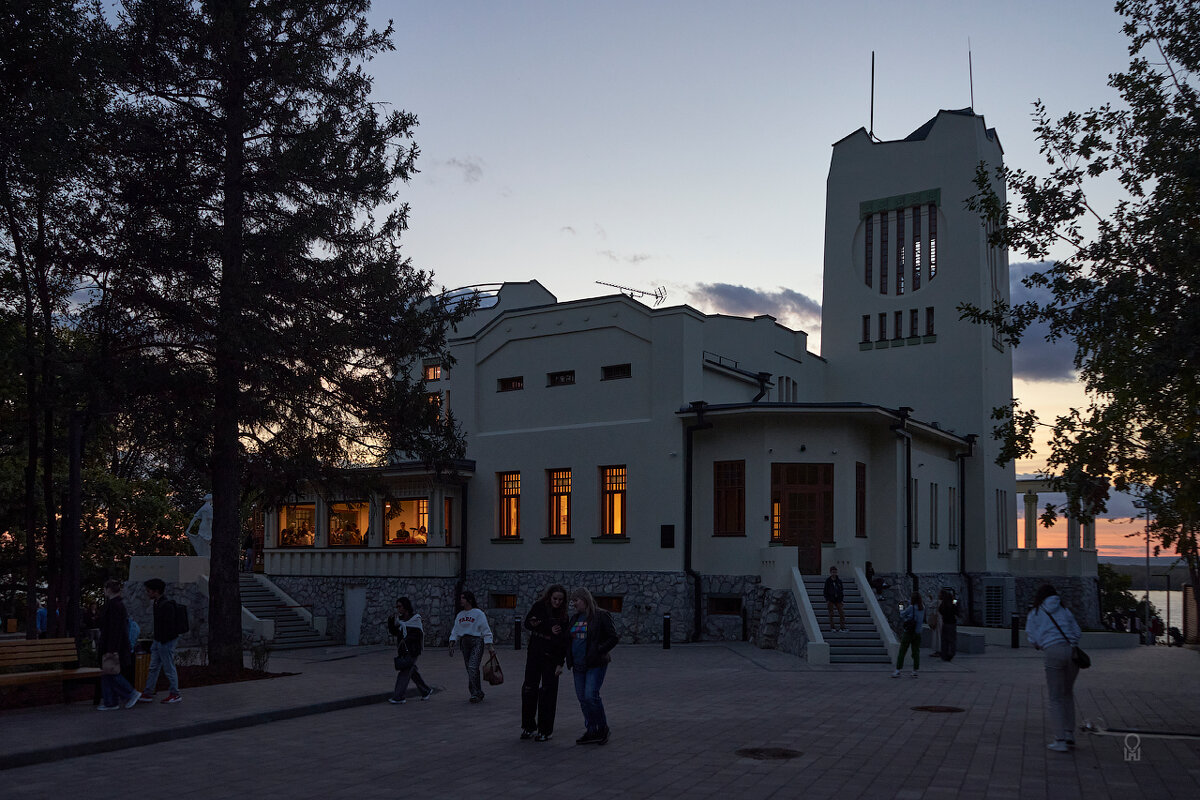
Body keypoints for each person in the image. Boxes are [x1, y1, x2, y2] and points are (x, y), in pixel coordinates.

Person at [1026, 584, 1083, 753]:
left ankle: (1060, 740)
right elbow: (1077, 632)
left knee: (1055, 697)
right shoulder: (1065, 611)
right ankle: (1069, 733)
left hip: (1053, 652)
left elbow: (1032, 637)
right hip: (1072, 652)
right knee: (1067, 693)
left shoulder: (1036, 613)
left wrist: (1041, 644)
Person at [567, 587, 619, 745]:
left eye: (576, 600)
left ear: (584, 599)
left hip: (594, 663)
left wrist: (599, 650)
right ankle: (591, 729)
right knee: (583, 698)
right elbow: (570, 640)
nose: (574, 604)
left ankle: (602, 728)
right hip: (578, 665)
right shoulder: (575, 618)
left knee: (591, 696)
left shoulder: (600, 616)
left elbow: (613, 637)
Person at [521, 584, 570, 741]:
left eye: (560, 600)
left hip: (552, 655)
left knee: (548, 691)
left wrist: (560, 663)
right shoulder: (539, 607)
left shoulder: (563, 615)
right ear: (549, 597)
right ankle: (528, 726)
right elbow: (528, 623)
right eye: (555, 599)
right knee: (529, 688)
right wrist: (546, 626)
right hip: (535, 652)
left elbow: (563, 640)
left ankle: (545, 729)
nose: (557, 602)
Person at [97, 579, 141, 710]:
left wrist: (111, 648)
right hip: (114, 644)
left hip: (111, 645)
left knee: (110, 672)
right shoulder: (118, 605)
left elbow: (114, 629)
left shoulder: (114, 606)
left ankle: (129, 693)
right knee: (107, 672)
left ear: (108, 589)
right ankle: (111, 701)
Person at [138, 578, 182, 704]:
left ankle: (175, 693)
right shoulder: (158, 603)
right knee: (153, 667)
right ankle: (148, 692)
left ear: (156, 591)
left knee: (168, 668)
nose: (147, 593)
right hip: (159, 641)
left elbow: (168, 626)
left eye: (149, 591)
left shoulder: (166, 605)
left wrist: (162, 640)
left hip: (165, 641)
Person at [448, 590, 494, 703]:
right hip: (464, 643)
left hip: (476, 641)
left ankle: (475, 693)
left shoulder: (478, 613)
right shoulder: (460, 615)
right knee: (470, 669)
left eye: (463, 598)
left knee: (473, 667)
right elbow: (456, 630)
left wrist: (490, 646)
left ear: (469, 600)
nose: (461, 600)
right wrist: (452, 642)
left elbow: (485, 629)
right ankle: (477, 692)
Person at [387, 597, 434, 704]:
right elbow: (395, 632)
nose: (398, 609)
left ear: (406, 606)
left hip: (412, 650)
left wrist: (407, 638)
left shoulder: (415, 619)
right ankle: (426, 690)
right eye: (397, 606)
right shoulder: (401, 620)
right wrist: (390, 622)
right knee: (411, 670)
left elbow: (418, 634)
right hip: (403, 651)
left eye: (400, 606)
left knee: (404, 672)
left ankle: (399, 697)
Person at [892, 592, 924, 678]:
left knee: (902, 651)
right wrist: (908, 601)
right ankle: (915, 671)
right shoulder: (922, 607)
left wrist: (901, 607)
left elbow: (902, 614)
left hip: (909, 632)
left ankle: (898, 670)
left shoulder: (911, 607)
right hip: (918, 633)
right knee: (916, 652)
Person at [823, 566, 846, 632]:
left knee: (841, 613)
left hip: (838, 599)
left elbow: (841, 591)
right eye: (833, 572)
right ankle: (832, 627)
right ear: (830, 572)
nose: (834, 573)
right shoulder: (828, 581)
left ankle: (842, 627)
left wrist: (841, 600)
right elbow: (825, 591)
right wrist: (827, 599)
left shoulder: (839, 581)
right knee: (831, 614)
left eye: (835, 572)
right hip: (830, 599)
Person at [938, 588, 959, 661]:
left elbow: (940, 610)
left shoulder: (943, 604)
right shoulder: (953, 603)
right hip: (952, 623)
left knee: (944, 640)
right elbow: (956, 610)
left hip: (945, 622)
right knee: (952, 639)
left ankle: (944, 654)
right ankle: (951, 653)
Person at [927, 592, 941, 658]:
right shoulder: (946, 602)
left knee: (937, 636)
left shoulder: (938, 602)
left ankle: (938, 651)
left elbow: (930, 605)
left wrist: (930, 598)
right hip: (943, 621)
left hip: (937, 620)